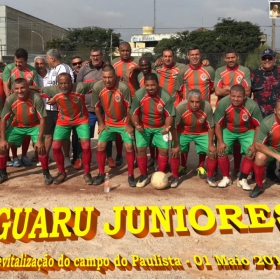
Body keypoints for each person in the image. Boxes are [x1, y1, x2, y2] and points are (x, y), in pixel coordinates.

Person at [41, 73, 93, 185]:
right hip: (63, 120)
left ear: (71, 82)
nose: (64, 85)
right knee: (55, 146)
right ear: (57, 84)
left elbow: (97, 84)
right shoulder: (53, 90)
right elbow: (38, 89)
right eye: (61, 83)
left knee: (86, 145)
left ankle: (87, 173)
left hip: (81, 120)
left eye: (66, 83)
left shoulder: (80, 87)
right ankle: (61, 172)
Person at [130, 73, 178, 188]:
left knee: (164, 151)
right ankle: (143, 175)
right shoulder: (139, 94)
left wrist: (167, 127)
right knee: (140, 149)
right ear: (144, 85)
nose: (150, 88)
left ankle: (160, 175)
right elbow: (133, 113)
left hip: (160, 127)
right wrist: (136, 125)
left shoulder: (165, 96)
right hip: (144, 126)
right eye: (147, 85)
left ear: (158, 84)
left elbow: (170, 115)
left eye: (153, 85)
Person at [0, 78, 52, 185]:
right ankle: (3, 173)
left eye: (23, 88)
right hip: (17, 126)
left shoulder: (36, 98)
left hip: (34, 125)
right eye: (17, 88)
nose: (20, 91)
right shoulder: (10, 99)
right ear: (13, 89)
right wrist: (2, 139)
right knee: (2, 147)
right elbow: (3, 119)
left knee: (40, 148)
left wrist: (39, 140)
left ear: (28, 88)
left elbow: (42, 119)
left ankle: (46, 173)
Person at [91, 64, 136, 187]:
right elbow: (96, 107)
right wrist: (101, 123)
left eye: (110, 77)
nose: (107, 80)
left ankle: (131, 175)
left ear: (115, 76)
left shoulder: (123, 87)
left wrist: (128, 125)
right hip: (108, 122)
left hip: (123, 121)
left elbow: (129, 108)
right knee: (100, 145)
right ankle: (101, 173)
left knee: (129, 146)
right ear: (102, 77)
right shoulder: (98, 87)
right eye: (104, 77)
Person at [214, 84, 263, 190]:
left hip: (247, 131)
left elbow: (259, 126)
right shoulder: (223, 103)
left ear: (245, 97)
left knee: (251, 152)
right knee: (221, 150)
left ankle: (243, 179)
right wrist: (221, 142)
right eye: (233, 96)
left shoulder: (252, 105)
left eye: (239, 97)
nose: (236, 99)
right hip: (229, 129)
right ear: (229, 95)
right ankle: (226, 177)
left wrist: (254, 144)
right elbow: (217, 124)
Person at [75, 47, 115, 169]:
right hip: (87, 109)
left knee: (106, 133)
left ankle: (109, 156)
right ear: (90, 57)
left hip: (104, 109)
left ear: (102, 56)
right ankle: (79, 157)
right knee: (84, 136)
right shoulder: (84, 69)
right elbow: (78, 87)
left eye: (98, 55)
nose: (95, 58)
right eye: (93, 56)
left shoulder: (107, 68)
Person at [214, 48, 252, 177]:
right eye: (228, 58)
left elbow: (248, 92)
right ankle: (216, 169)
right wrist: (236, 90)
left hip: (240, 109)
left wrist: (227, 88)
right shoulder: (220, 71)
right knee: (218, 139)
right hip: (222, 109)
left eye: (233, 57)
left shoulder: (244, 71)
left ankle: (236, 168)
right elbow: (217, 91)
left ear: (237, 57)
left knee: (237, 138)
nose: (230, 60)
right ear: (225, 58)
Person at [180, 46, 215, 178]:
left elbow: (212, 88)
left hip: (203, 111)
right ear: (188, 56)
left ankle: (200, 167)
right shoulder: (183, 70)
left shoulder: (209, 70)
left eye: (197, 54)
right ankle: (183, 165)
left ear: (200, 56)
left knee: (202, 139)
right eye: (192, 54)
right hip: (187, 111)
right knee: (184, 138)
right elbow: (179, 89)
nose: (194, 57)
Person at [2, 48, 40, 167]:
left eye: (20, 62)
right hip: (13, 105)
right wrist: (10, 99)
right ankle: (14, 157)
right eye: (16, 61)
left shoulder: (32, 70)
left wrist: (26, 88)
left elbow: (37, 87)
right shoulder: (9, 68)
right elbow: (6, 85)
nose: (17, 64)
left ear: (26, 61)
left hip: (28, 104)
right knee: (13, 130)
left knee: (27, 129)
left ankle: (24, 155)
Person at [175, 89, 217, 187]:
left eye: (197, 102)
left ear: (201, 101)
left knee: (211, 151)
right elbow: (175, 126)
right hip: (184, 131)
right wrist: (175, 142)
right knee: (176, 150)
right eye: (192, 101)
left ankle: (206, 173)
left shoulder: (207, 107)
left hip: (202, 132)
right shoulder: (180, 107)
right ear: (188, 100)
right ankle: (181, 168)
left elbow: (211, 126)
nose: (195, 104)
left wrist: (211, 144)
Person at [251, 48, 280, 183]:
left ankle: (271, 171)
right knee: (258, 144)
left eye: (270, 58)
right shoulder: (254, 74)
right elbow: (247, 94)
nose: (267, 60)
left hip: (278, 116)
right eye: (264, 58)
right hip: (260, 117)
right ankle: (255, 170)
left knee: (275, 143)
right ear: (261, 60)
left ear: (275, 59)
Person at [112, 42, 140, 166]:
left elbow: (147, 66)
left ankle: (135, 155)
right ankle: (119, 154)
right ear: (119, 51)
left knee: (134, 128)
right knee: (120, 128)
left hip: (133, 100)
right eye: (122, 51)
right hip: (119, 100)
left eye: (127, 50)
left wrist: (135, 68)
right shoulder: (114, 63)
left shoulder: (136, 62)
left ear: (131, 51)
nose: (125, 53)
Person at [45, 49, 74, 168]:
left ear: (52, 58)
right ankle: (45, 157)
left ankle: (66, 157)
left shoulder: (63, 68)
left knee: (64, 135)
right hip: (49, 108)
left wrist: (55, 99)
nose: (47, 61)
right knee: (48, 134)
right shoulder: (52, 70)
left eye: (47, 59)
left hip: (61, 108)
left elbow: (65, 88)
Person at [250, 100, 280, 198]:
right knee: (259, 157)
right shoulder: (267, 122)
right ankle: (259, 185)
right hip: (272, 148)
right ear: (275, 110)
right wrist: (276, 156)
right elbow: (258, 144)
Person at [137, 56, 159, 168]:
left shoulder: (155, 73)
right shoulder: (139, 75)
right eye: (142, 65)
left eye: (146, 65)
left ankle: (157, 160)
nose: (144, 67)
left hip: (156, 107)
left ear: (150, 65)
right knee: (148, 136)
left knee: (157, 136)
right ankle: (152, 158)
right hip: (144, 107)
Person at [32, 56, 50, 166]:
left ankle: (45, 154)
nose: (39, 66)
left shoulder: (52, 74)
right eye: (37, 64)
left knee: (47, 132)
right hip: (36, 107)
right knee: (37, 131)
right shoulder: (34, 76)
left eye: (41, 63)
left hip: (49, 107)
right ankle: (36, 153)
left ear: (45, 64)